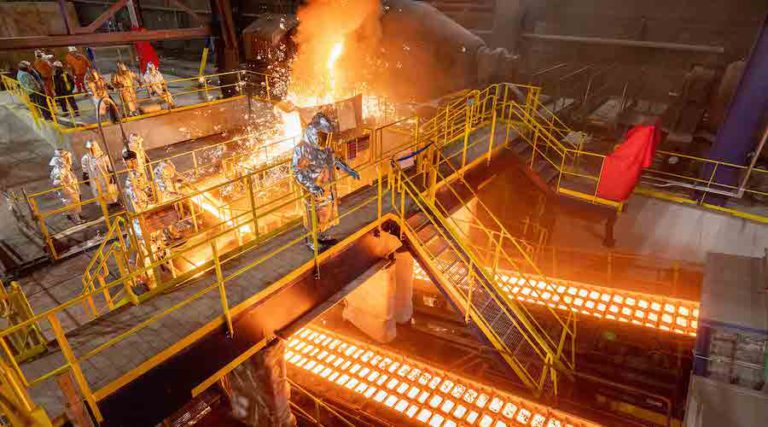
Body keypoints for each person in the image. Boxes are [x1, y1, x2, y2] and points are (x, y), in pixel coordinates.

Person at [291, 112, 360, 251]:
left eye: (328, 136)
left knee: (325, 214)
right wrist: (312, 186)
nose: (326, 140)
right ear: (315, 133)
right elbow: (297, 171)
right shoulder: (303, 148)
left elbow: (335, 159)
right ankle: (312, 241)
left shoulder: (325, 148)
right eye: (323, 136)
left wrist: (349, 170)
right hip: (313, 190)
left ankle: (321, 236)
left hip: (326, 187)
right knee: (312, 216)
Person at [49, 149, 83, 224]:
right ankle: (76, 220)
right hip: (68, 191)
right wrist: (67, 190)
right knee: (72, 205)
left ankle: (73, 217)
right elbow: (56, 183)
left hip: (70, 190)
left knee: (71, 205)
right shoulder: (60, 171)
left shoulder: (61, 169)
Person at [81, 140, 119, 205]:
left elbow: (110, 167)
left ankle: (113, 202)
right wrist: (85, 177)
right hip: (94, 179)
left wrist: (113, 176)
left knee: (109, 190)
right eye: (89, 148)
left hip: (105, 177)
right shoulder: (85, 158)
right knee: (98, 191)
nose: (91, 150)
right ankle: (103, 205)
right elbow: (85, 170)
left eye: (92, 148)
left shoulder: (104, 156)